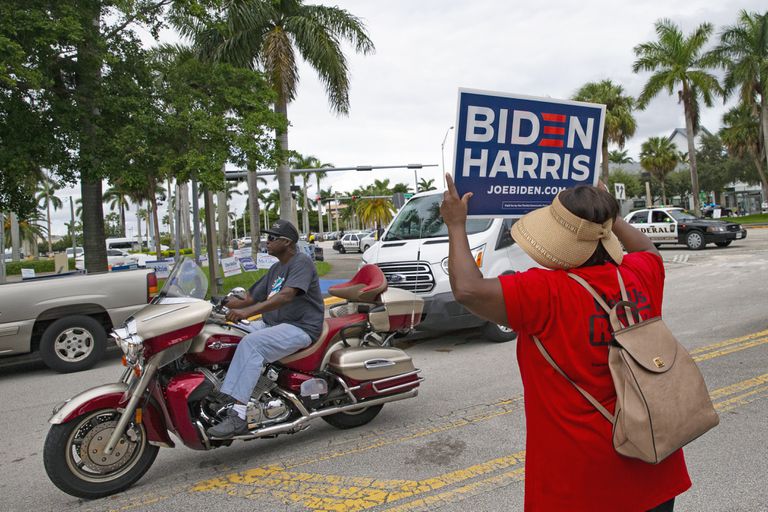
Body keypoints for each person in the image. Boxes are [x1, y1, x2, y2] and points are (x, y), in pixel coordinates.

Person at [440, 174, 690, 512]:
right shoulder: (639, 273)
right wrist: (607, 214)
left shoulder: (545, 292)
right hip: (655, 463)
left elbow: (468, 289)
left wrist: (456, 224)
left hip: (580, 484)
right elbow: (647, 249)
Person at [207, 219, 324, 438]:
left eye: (271, 238)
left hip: (300, 327)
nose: (266, 242)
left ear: (286, 242)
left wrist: (247, 313)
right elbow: (249, 297)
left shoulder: (301, 263)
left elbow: (286, 295)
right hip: (273, 324)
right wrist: (218, 303)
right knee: (227, 335)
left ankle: (239, 415)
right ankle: (227, 393)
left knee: (252, 344)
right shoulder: (276, 268)